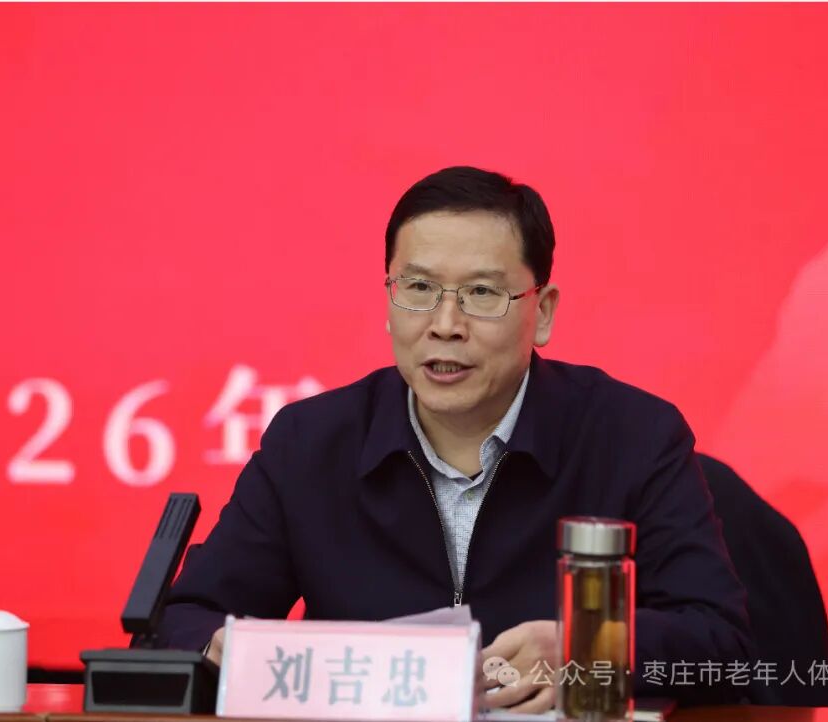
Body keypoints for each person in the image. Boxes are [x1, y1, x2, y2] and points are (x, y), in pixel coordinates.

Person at [157, 166, 753, 709]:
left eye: (482, 294)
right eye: (418, 289)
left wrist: (591, 650)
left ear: (543, 312)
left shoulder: (633, 435)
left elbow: (722, 644)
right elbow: (186, 618)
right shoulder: (310, 443)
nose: (445, 326)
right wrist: (224, 650)